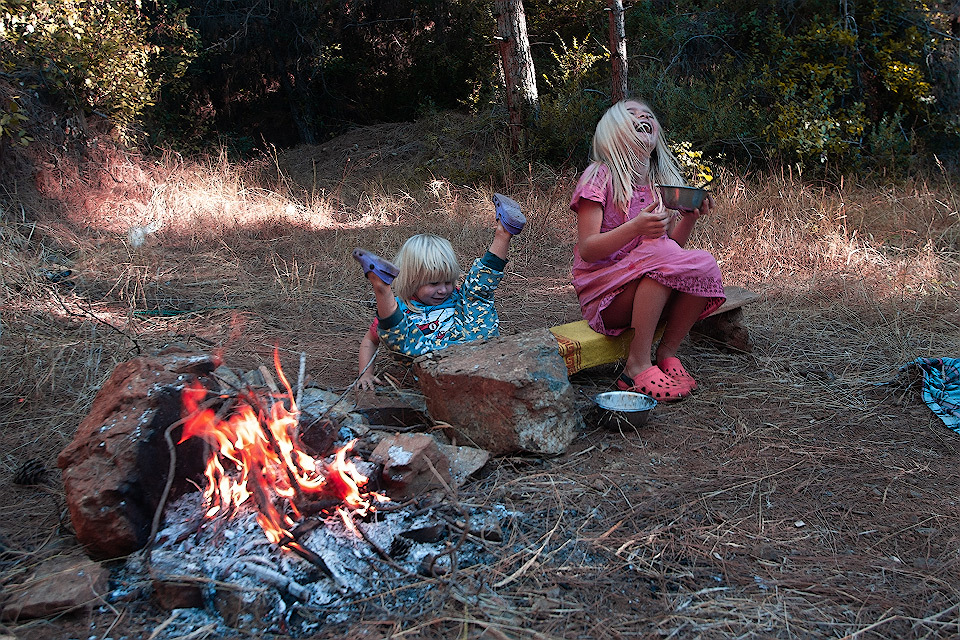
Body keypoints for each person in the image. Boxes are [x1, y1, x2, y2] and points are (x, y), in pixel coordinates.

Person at [570, 99, 725, 402]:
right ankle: (635, 366)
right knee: (659, 258)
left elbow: (671, 253)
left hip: (645, 287)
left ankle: (667, 353)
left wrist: (689, 218)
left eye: (647, 115)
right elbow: (587, 249)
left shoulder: (657, 187)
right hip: (605, 296)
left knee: (704, 263)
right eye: (631, 115)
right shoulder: (599, 175)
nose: (642, 117)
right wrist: (636, 228)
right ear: (612, 132)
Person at [353, 194, 525, 391]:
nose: (443, 289)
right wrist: (365, 373)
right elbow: (369, 340)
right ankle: (381, 288)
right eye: (434, 283)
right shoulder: (402, 310)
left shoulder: (458, 299)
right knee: (399, 335)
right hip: (433, 363)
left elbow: (478, 290)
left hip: (477, 349)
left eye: (448, 281)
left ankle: (503, 232)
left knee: (477, 293)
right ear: (412, 281)